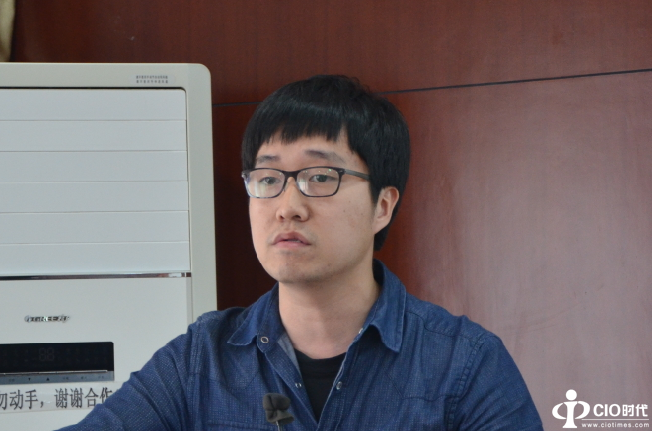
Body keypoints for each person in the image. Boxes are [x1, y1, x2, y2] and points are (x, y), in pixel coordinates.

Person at [59, 75, 543, 430]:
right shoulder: (201, 360)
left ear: (382, 206)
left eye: (320, 177)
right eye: (268, 178)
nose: (287, 206)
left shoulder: (464, 362)